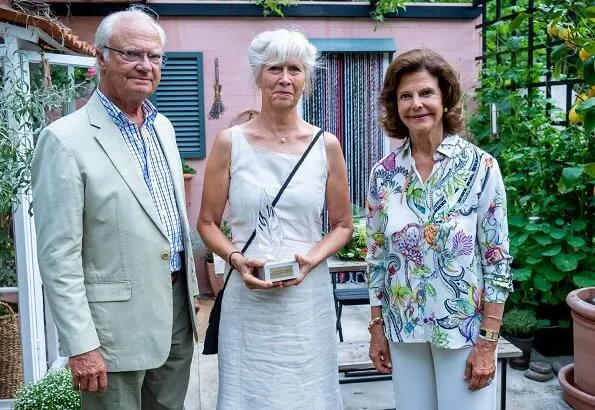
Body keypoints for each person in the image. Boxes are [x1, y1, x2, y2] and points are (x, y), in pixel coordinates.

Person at [31, 7, 200, 409]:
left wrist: (187, 289)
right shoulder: (64, 140)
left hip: (175, 316)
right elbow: (59, 256)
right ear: (101, 58)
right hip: (111, 333)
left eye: (154, 57)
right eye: (131, 54)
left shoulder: (163, 127)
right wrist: (81, 344)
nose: (146, 66)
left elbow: (167, 223)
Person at [197, 28, 352, 409]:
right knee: (249, 394)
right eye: (274, 68)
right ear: (258, 76)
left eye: (295, 69)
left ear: (306, 79)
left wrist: (310, 261)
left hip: (307, 298)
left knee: (308, 394)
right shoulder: (229, 142)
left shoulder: (325, 146)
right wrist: (236, 258)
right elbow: (207, 222)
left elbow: (343, 225)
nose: (285, 79)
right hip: (247, 299)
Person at [365, 48, 513, 410]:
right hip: (403, 329)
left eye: (426, 93)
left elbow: (496, 260)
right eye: (405, 96)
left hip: (463, 331)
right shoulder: (384, 174)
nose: (416, 104)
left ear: (445, 97)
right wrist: (377, 329)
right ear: (395, 105)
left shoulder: (481, 167)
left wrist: (488, 342)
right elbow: (377, 257)